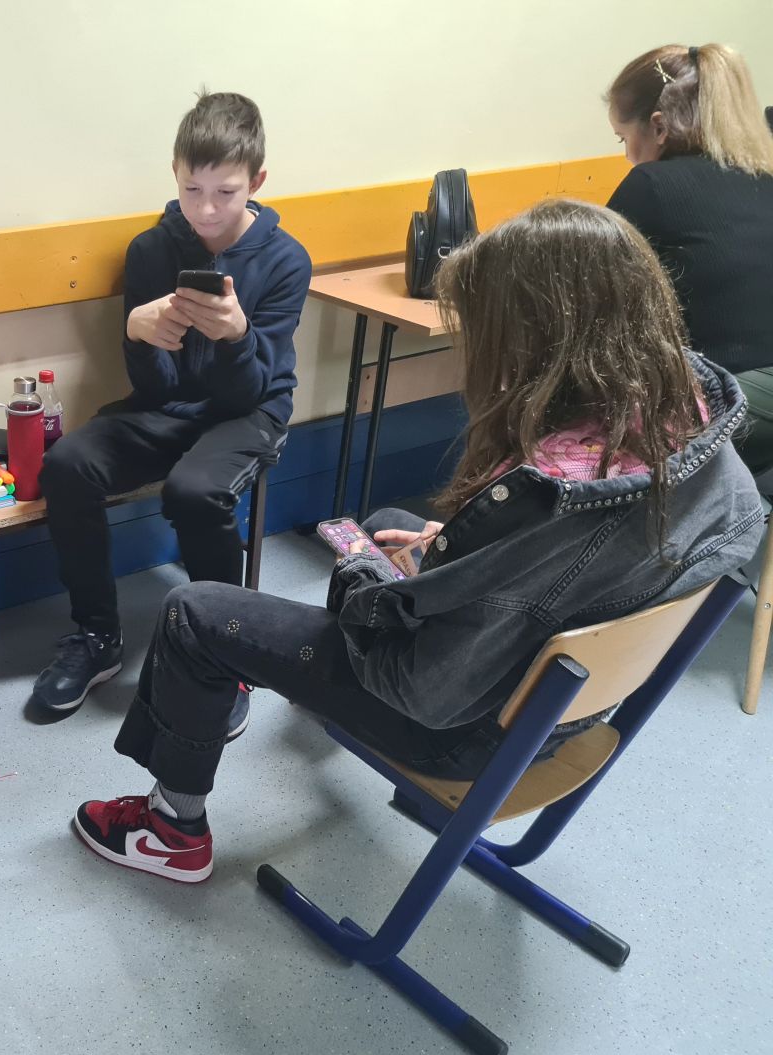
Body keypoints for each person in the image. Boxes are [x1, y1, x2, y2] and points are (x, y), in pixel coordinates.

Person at [71, 199, 764, 883]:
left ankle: (172, 831)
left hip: (458, 731)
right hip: (559, 714)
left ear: (536, 336)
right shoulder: (690, 421)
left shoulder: (543, 495)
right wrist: (458, 552)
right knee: (382, 525)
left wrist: (375, 583)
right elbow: (574, 565)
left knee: (193, 612)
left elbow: (423, 688)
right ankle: (321, 684)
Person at [32, 90, 312, 734]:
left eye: (225, 192)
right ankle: (97, 636)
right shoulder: (150, 250)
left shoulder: (285, 260)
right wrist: (137, 334)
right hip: (169, 408)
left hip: (250, 411)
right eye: (192, 190)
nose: (206, 209)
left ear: (257, 183)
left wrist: (237, 336)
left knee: (195, 491)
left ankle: (224, 656)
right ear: (175, 175)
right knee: (68, 464)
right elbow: (153, 391)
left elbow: (247, 394)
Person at [605, 42, 773, 478]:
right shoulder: (762, 174)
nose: (626, 153)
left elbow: (590, 294)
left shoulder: (651, 185)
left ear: (659, 127)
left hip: (739, 398)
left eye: (624, 138)